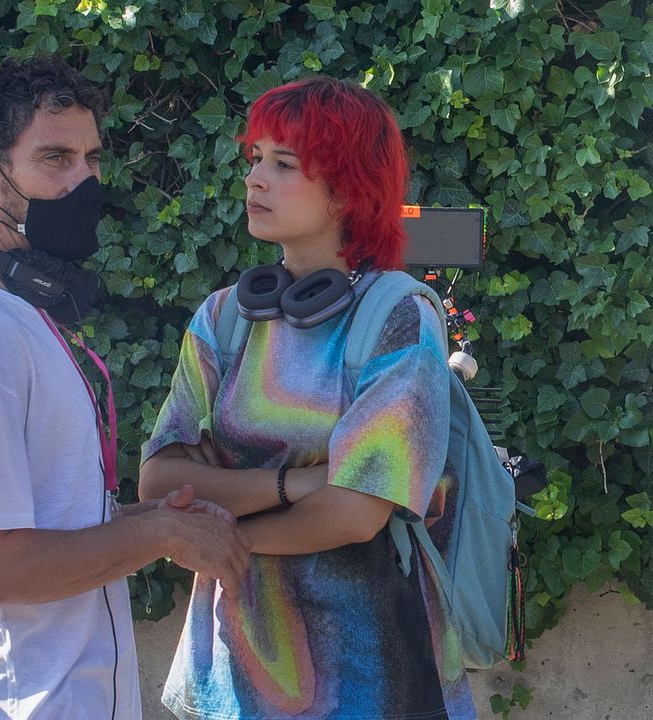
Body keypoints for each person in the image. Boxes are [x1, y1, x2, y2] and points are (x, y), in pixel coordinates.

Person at [0, 56, 251, 720]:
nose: (83, 180)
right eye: (55, 158)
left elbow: (36, 529)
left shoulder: (7, 315)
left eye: (91, 158)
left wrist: (154, 522)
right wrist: (159, 536)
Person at [139, 76, 478, 719]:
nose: (255, 179)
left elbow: (355, 516)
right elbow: (159, 481)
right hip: (231, 676)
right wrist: (298, 486)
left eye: (284, 164)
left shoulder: (399, 317)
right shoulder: (222, 318)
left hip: (368, 669)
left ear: (350, 188)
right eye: (256, 159)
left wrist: (213, 530)